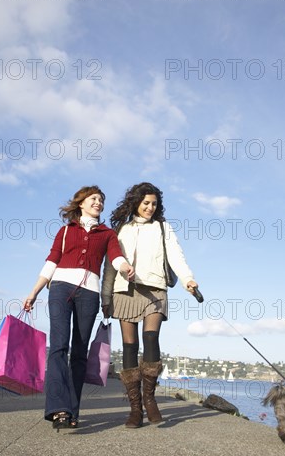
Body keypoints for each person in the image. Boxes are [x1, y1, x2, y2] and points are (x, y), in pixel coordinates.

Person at [24, 186, 134, 431]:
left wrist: (126, 267)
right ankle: (58, 408)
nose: (98, 202)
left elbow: (115, 257)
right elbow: (51, 261)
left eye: (101, 200)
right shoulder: (65, 231)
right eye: (94, 198)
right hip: (61, 289)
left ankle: (72, 411)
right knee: (59, 346)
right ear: (81, 203)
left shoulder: (107, 233)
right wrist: (34, 291)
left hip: (90, 293)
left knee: (80, 353)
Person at [102, 182, 199, 428]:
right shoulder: (122, 229)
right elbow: (111, 263)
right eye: (146, 203)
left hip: (155, 288)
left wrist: (188, 279)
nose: (150, 207)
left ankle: (150, 397)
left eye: (154, 204)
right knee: (129, 345)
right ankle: (135, 408)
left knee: (151, 338)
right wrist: (105, 298)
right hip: (125, 290)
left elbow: (176, 255)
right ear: (136, 202)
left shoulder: (163, 227)